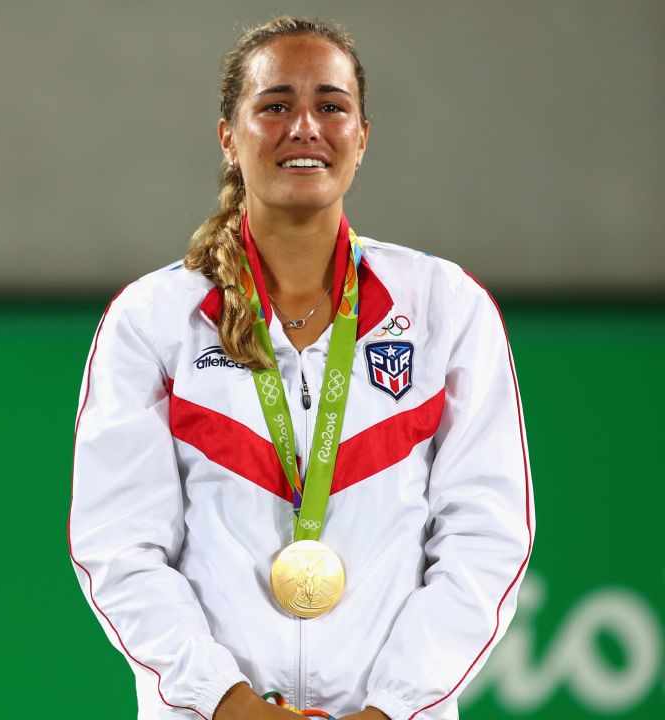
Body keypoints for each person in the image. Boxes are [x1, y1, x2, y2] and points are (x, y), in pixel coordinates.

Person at [68, 17, 534, 720]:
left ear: (363, 136)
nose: (306, 127)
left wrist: (392, 709)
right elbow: (120, 549)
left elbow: (486, 540)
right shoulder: (154, 318)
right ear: (229, 136)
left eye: (332, 105)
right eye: (276, 105)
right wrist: (228, 705)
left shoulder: (444, 307)